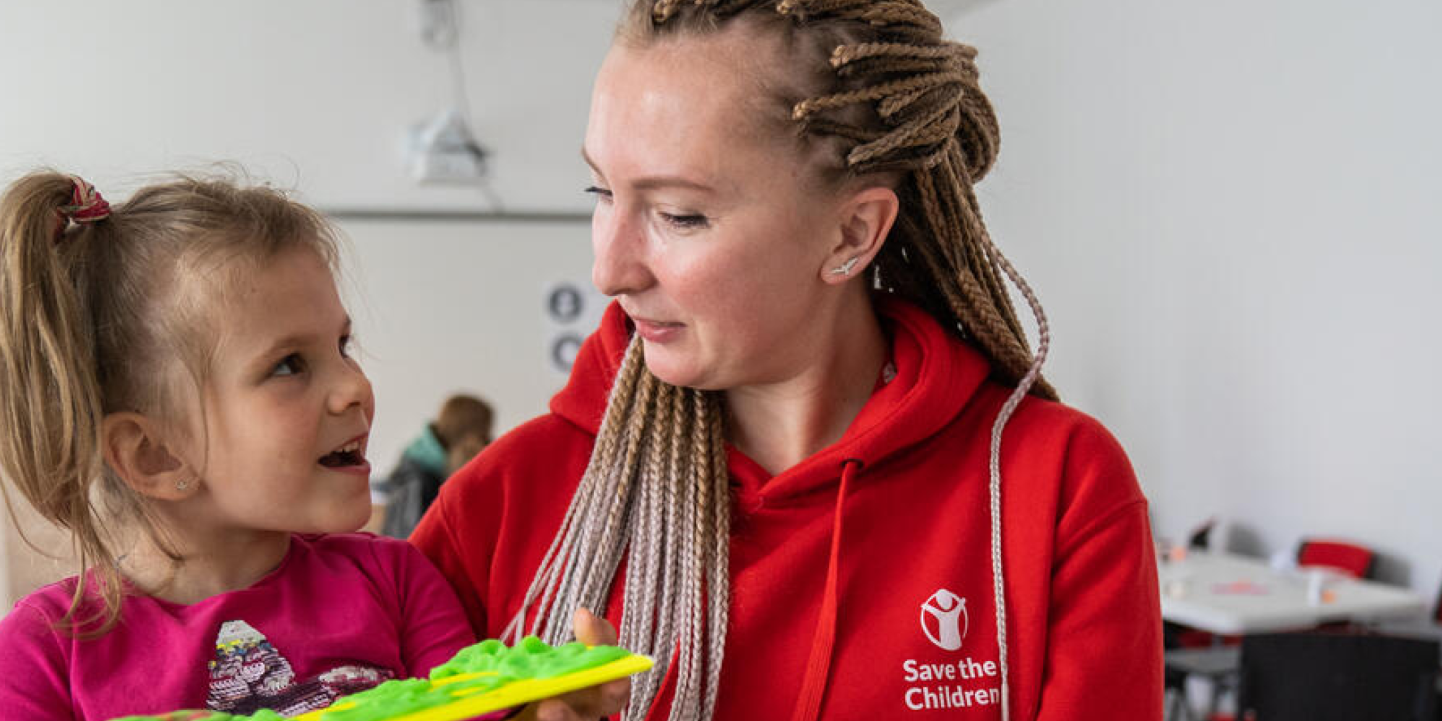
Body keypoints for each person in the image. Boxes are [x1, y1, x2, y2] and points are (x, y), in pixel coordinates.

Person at [412, 1, 1163, 720]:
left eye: (679, 214)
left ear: (851, 235)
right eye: (601, 191)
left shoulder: (1055, 493)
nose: (610, 269)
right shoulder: (499, 509)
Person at [0, 172, 483, 719]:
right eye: (288, 365)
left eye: (341, 345)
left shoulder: (396, 582)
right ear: (153, 455)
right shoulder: (42, 655)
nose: (356, 387)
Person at [379, 394, 494, 539]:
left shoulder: (419, 470)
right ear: (470, 439)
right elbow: (412, 546)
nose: (488, 445)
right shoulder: (419, 481)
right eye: (486, 437)